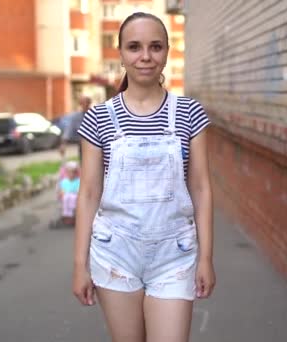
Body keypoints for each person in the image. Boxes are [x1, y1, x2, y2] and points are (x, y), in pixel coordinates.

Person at [72, 12, 215, 342]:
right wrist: (80, 264)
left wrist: (205, 258)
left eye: (156, 46)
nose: (146, 56)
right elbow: (89, 192)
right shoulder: (98, 118)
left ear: (168, 51)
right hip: (115, 254)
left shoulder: (190, 113)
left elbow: (201, 188)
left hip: (175, 256)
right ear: (120, 53)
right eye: (134, 47)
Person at [59, 96, 92, 160]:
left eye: (85, 103)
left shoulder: (94, 114)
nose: (84, 105)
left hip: (96, 144)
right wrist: (63, 144)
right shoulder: (76, 117)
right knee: (83, 162)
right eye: (82, 103)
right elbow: (69, 130)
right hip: (82, 144)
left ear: (89, 103)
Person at [57, 161, 80, 226]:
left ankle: (72, 213)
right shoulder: (64, 181)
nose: (71, 174)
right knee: (66, 197)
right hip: (66, 195)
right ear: (67, 173)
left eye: (73, 172)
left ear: (76, 173)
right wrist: (61, 193)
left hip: (75, 195)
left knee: (73, 197)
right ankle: (67, 214)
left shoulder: (78, 181)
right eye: (69, 172)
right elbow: (62, 190)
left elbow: (78, 190)